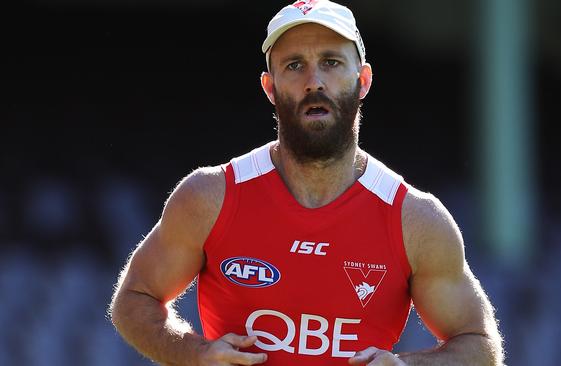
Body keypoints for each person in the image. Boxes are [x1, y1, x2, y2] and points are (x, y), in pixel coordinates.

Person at [109, 1, 504, 365]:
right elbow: (133, 300)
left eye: (331, 62)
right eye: (294, 65)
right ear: (270, 87)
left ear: (363, 80)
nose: (314, 81)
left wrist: (408, 365)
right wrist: (195, 354)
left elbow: (480, 344)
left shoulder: (416, 220)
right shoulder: (210, 196)